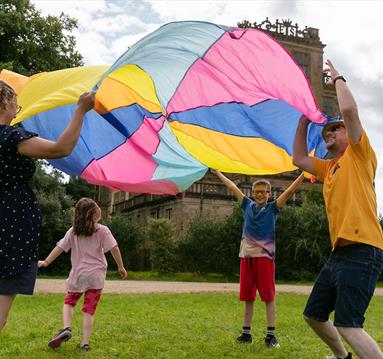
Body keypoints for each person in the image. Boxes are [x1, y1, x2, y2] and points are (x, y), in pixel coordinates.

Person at [293, 59, 383, 359]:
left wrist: (338, 78)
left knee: (349, 325)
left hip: (363, 249)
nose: (329, 133)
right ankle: (341, 357)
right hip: (339, 253)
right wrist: (304, 123)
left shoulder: (360, 155)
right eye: (326, 132)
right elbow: (299, 160)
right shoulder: (329, 167)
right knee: (313, 315)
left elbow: (348, 111)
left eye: (336, 130)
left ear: (351, 135)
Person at [0, 80, 94, 333]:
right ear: (7, 103)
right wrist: (80, 110)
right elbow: (60, 148)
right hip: (8, 227)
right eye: (16, 102)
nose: (19, 108)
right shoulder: (9, 137)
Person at [212, 169, 304, 348]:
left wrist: (303, 174)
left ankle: (270, 335)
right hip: (246, 257)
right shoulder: (247, 205)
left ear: (269, 194)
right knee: (248, 297)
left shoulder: (273, 208)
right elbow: (232, 186)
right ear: (252, 194)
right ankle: (246, 333)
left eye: (264, 192)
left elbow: (290, 191)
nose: (260, 194)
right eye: (257, 192)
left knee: (268, 297)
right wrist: (218, 173)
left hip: (264, 258)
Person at [38, 197, 127, 351]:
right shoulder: (103, 230)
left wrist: (46, 261)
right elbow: (114, 248)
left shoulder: (73, 232)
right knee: (89, 310)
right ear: (94, 214)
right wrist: (121, 266)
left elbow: (59, 248)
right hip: (96, 277)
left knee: (69, 303)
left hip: (78, 275)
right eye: (98, 208)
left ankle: (66, 328)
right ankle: (84, 344)